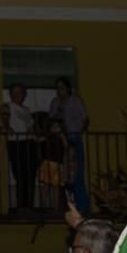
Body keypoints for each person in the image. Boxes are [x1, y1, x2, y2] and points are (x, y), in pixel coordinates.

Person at [51, 77, 89, 213]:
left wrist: (79, 132)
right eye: (57, 88)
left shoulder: (74, 100)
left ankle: (82, 206)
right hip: (60, 140)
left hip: (73, 138)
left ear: (68, 88)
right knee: (64, 175)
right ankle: (67, 206)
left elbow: (85, 118)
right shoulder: (55, 103)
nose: (59, 91)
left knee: (76, 173)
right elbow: (52, 119)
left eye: (62, 88)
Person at [5, 84, 36, 210]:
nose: (17, 95)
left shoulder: (27, 110)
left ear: (24, 94)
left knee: (30, 175)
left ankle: (29, 205)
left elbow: (30, 127)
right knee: (20, 175)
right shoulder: (8, 106)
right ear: (11, 94)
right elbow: (2, 117)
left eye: (19, 92)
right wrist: (8, 127)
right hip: (16, 143)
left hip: (28, 143)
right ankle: (21, 206)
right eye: (14, 92)